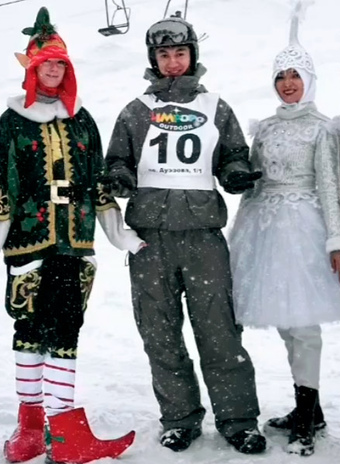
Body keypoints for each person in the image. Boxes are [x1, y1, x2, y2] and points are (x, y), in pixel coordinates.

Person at [0, 7, 141, 464]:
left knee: (64, 330)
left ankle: (55, 432)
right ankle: (36, 432)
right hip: (27, 241)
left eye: (61, 64)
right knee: (30, 328)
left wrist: (120, 235)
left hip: (74, 242)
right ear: (33, 68)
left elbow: (97, 182)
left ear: (68, 69)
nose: (55, 70)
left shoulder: (81, 120)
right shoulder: (12, 122)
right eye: (47, 64)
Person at [103, 12, 266, 456]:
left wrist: (234, 173)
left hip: (202, 235)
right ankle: (179, 416)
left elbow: (232, 152)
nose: (173, 62)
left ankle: (237, 418)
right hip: (149, 237)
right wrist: (118, 176)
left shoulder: (216, 107)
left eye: (180, 53)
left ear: (193, 55)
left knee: (218, 329)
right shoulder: (137, 110)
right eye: (164, 54)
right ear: (153, 60)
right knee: (159, 330)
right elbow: (116, 158)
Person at [228, 2, 340, 457]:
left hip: (303, 228)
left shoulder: (323, 128)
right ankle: (307, 407)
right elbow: (254, 180)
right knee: (285, 323)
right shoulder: (264, 127)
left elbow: (329, 187)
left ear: (310, 80)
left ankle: (309, 407)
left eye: (295, 76)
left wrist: (336, 241)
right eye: (281, 77)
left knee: (303, 325)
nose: (288, 84)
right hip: (265, 227)